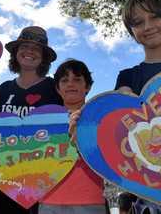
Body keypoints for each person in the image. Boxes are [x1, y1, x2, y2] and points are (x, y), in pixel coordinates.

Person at [69, 0, 161, 214]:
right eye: (138, 22)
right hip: (149, 197)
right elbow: (115, 135)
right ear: (132, 32)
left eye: (154, 17)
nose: (148, 26)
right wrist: (83, 129)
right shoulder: (128, 77)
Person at [0, 26, 63, 214]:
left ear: (44, 57)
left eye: (36, 49)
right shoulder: (1, 91)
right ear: (15, 53)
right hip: (2, 180)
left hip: (42, 182)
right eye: (24, 46)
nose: (29, 51)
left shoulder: (56, 88)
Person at [39, 59, 106, 214]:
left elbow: (108, 157)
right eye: (64, 80)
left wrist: (84, 136)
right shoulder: (45, 120)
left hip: (90, 200)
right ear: (57, 88)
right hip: (49, 200)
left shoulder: (100, 119)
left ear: (87, 86)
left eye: (77, 79)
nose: (70, 84)